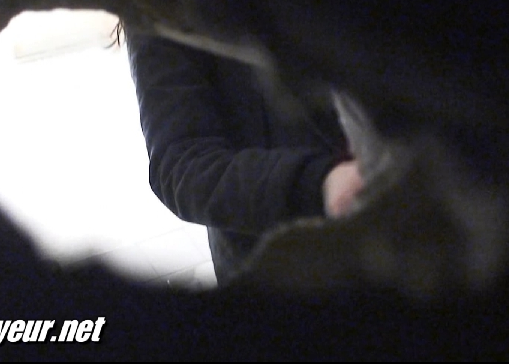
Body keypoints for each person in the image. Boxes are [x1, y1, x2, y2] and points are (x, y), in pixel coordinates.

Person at [123, 23, 365, 286]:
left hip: (385, 222)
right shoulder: (161, 13)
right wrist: (316, 182)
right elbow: (184, 166)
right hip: (286, 262)